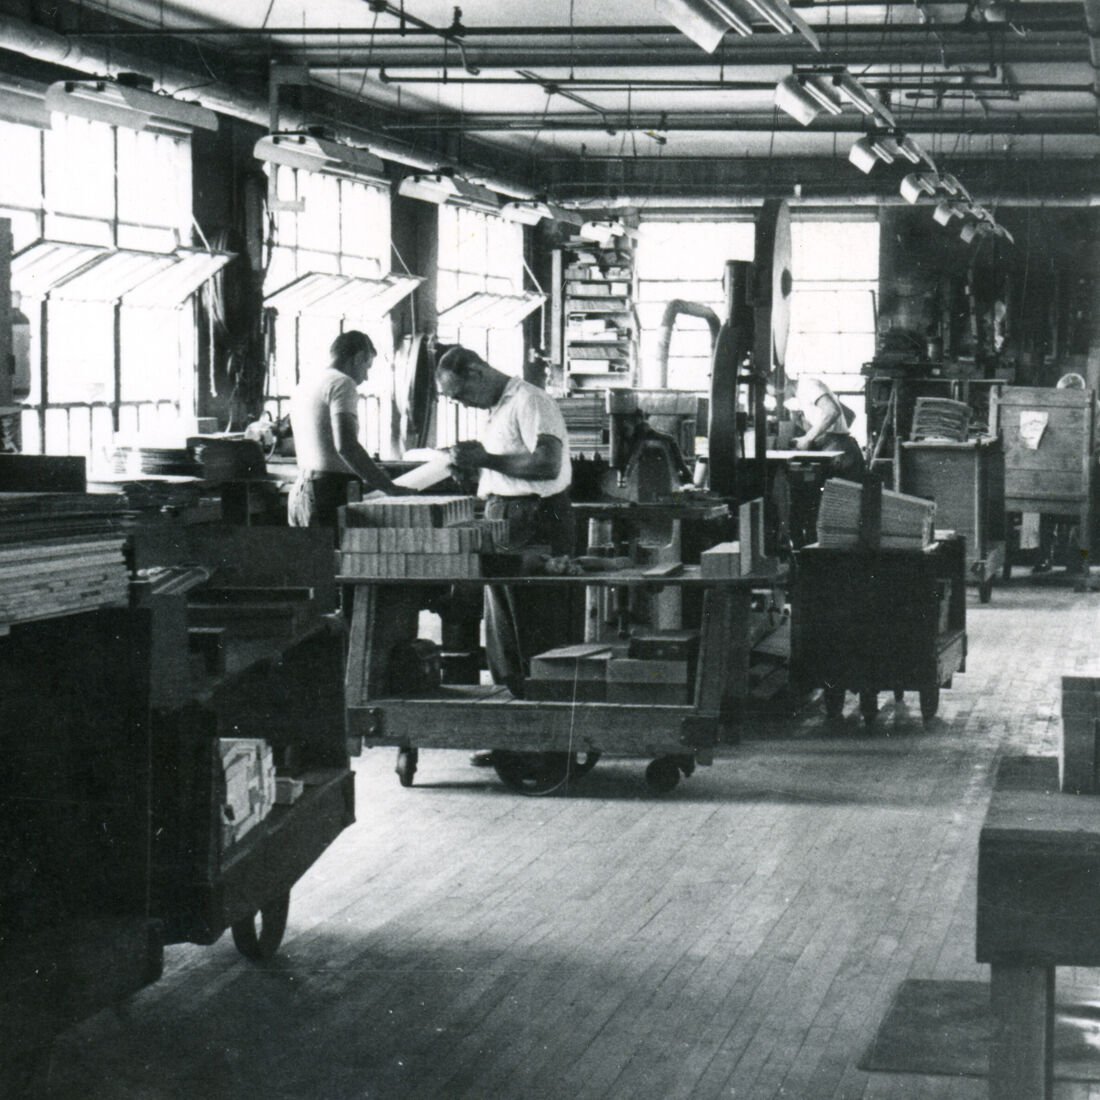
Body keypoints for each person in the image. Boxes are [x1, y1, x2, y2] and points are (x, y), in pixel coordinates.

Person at [436, 345, 574, 695]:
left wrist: (486, 459)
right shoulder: (500, 407)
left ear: (477, 372)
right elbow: (509, 466)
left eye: (462, 393)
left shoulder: (530, 400)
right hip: (507, 519)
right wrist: (472, 467)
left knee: (536, 633)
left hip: (533, 519)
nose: (463, 403)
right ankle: (513, 735)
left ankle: (545, 742)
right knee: (504, 636)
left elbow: (547, 464)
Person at [287, 330, 405, 527]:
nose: (366, 378)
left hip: (301, 492)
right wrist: (389, 487)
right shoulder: (342, 383)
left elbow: (326, 450)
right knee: (335, 556)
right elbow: (346, 447)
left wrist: (367, 474)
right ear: (358, 358)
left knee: (310, 557)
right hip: (325, 493)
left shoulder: (305, 384)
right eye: (367, 367)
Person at [782, 373, 866, 481]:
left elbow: (832, 411)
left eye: (777, 395)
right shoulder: (802, 397)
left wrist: (808, 438)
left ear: (782, 382)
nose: (780, 399)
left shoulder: (808, 386)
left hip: (838, 450)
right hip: (841, 446)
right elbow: (849, 415)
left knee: (837, 495)